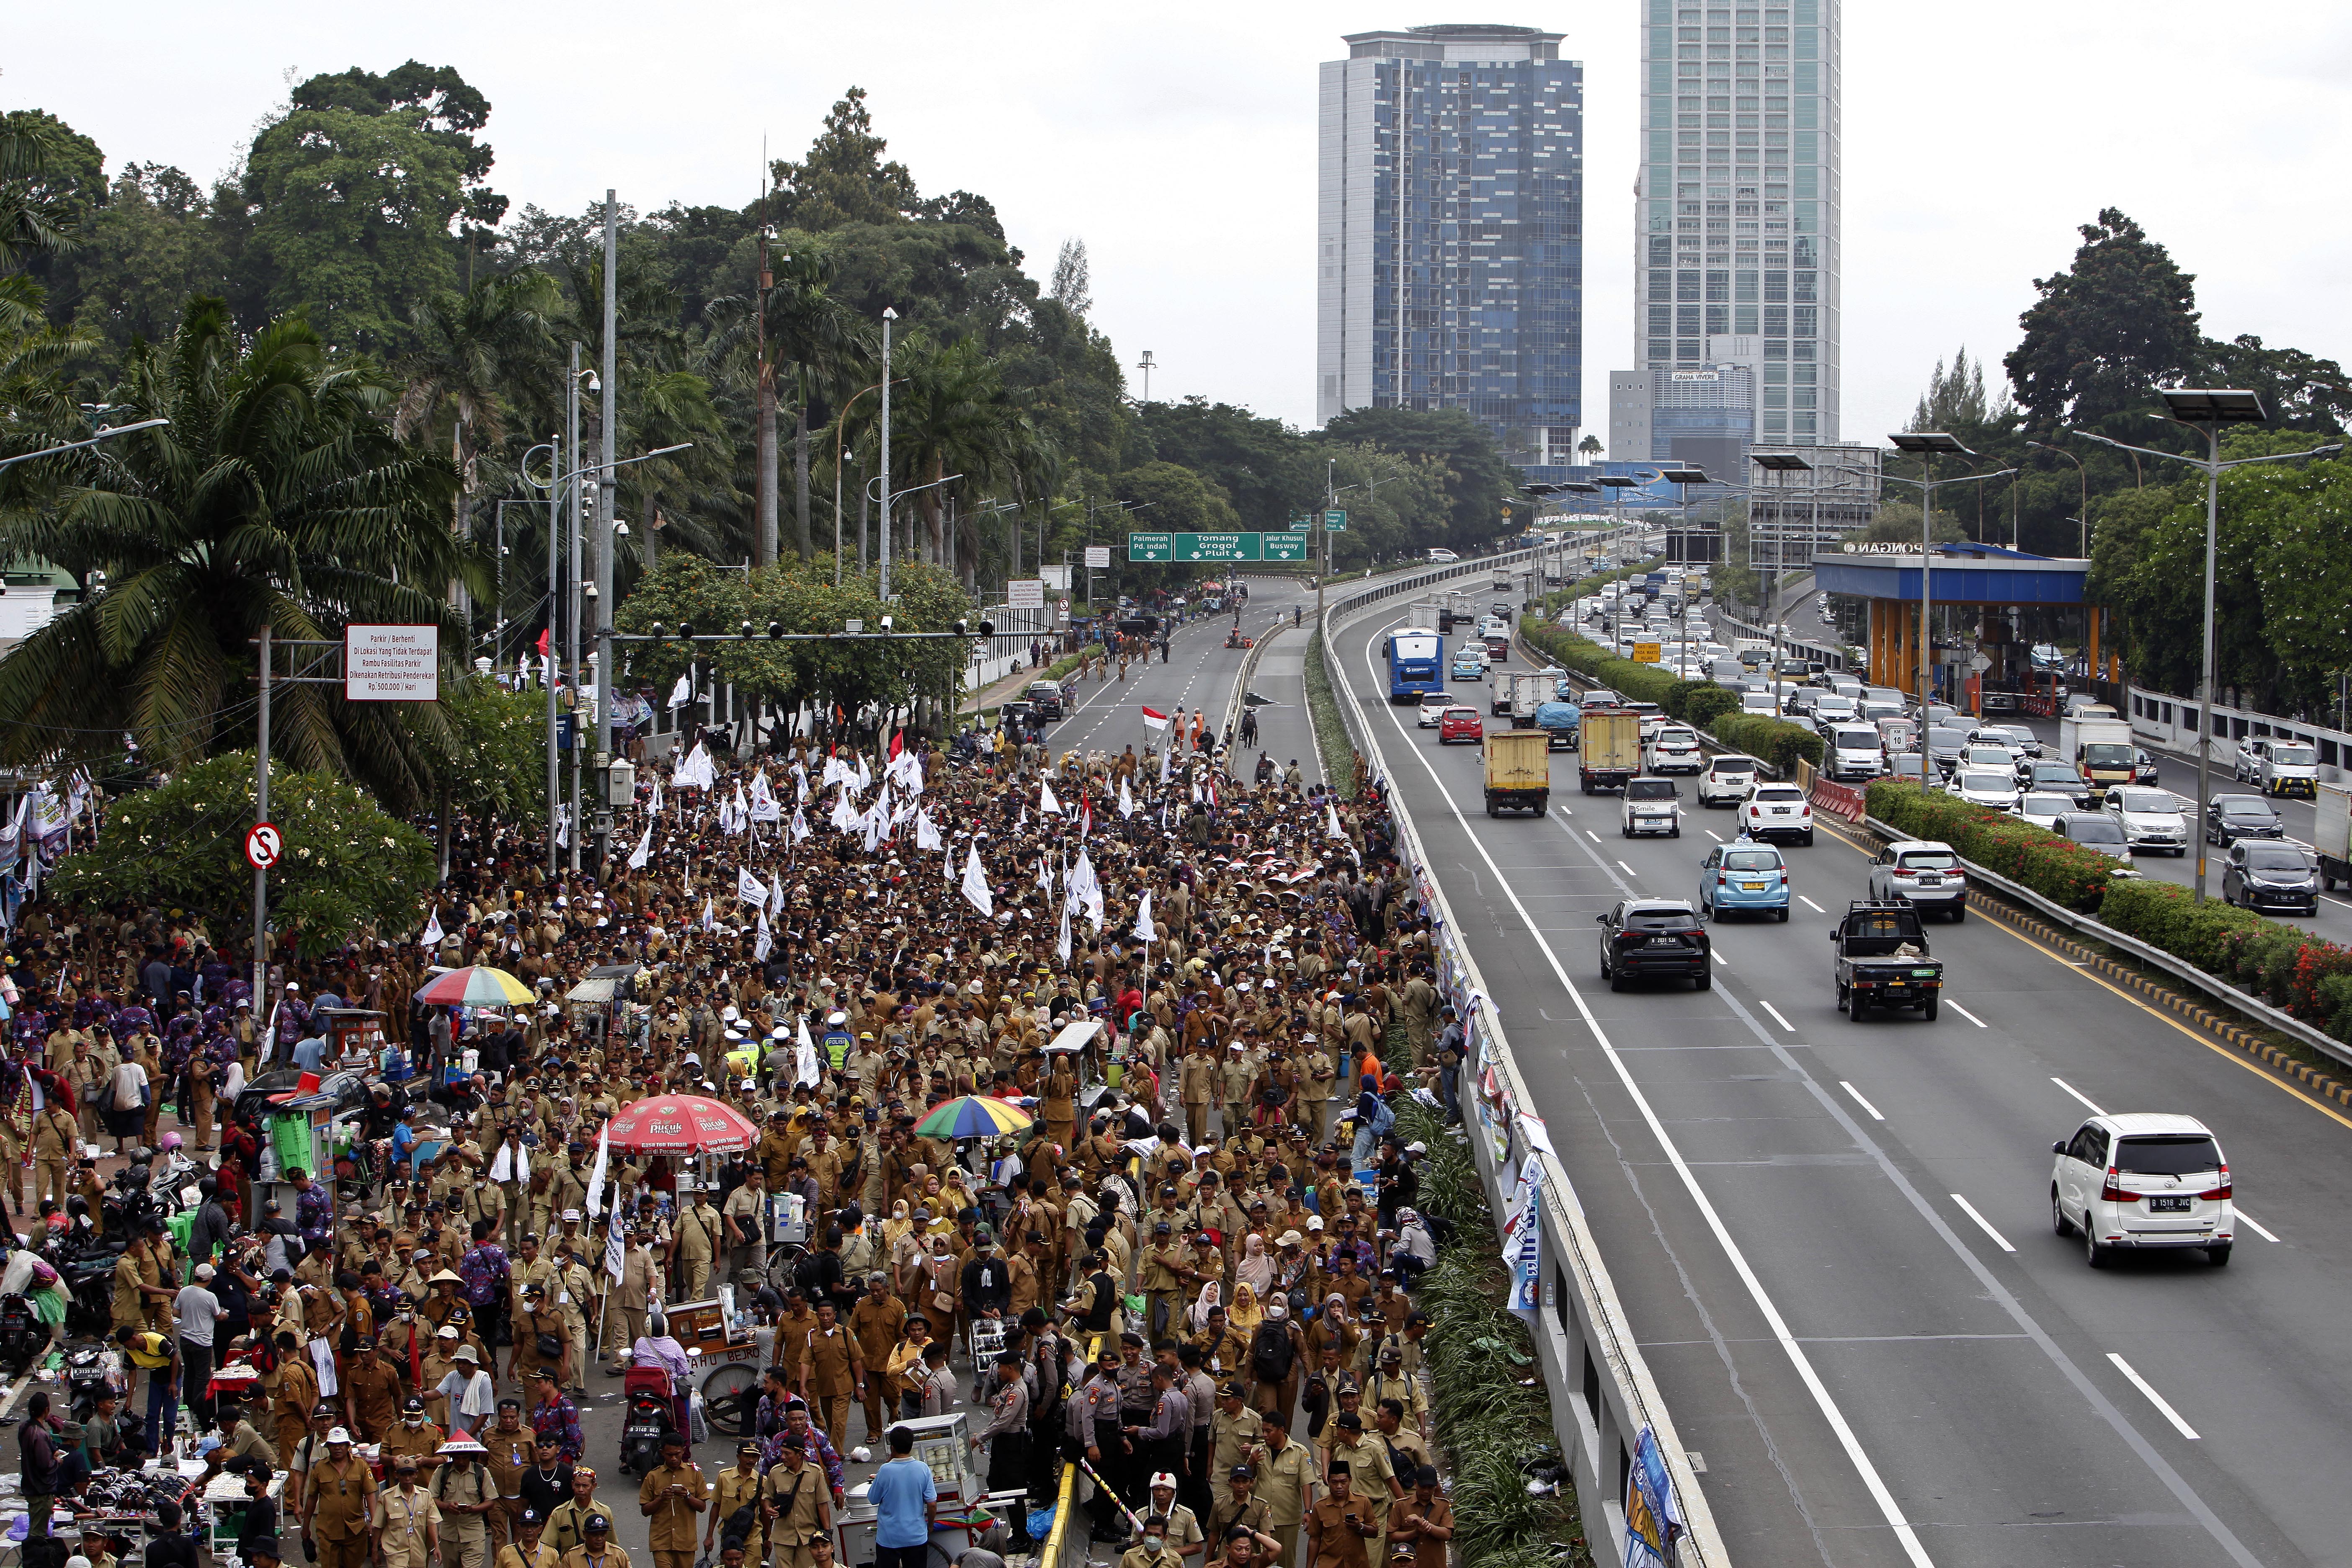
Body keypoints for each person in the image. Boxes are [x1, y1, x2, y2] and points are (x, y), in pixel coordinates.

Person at [302, 1426, 379, 1568]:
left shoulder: (361, 1465)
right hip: (328, 1530)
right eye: (334, 1445)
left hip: (355, 1529)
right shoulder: (319, 1467)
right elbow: (312, 1498)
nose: (337, 1448)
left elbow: (370, 1494)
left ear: (348, 1446)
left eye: (341, 1445)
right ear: (328, 1447)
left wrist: (374, 1522)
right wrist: (305, 1526)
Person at [869, 1425, 939, 1568]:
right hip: (916, 1536)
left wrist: (889, 1461)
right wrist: (930, 1525)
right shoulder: (923, 1468)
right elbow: (932, 1504)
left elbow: (873, 1499)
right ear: (911, 1446)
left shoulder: (885, 1470)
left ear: (892, 1448)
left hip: (889, 1538)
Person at [761, 1437, 834, 1568]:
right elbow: (767, 1498)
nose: (783, 1457)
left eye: (787, 1454)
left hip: (807, 1536)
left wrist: (828, 1532)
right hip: (783, 1535)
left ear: (800, 1455)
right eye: (782, 1453)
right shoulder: (776, 1473)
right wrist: (768, 1509)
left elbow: (822, 1504)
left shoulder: (815, 1473)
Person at [636, 1431, 706, 1568]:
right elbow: (645, 1510)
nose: (674, 1458)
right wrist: (661, 1499)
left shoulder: (695, 1474)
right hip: (661, 1542)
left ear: (683, 1451)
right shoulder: (653, 1476)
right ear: (662, 1453)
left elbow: (702, 1507)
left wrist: (688, 1496)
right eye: (670, 1455)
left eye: (677, 1454)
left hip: (686, 1543)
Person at [435, 1435, 502, 1568]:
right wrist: (448, 1507)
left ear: (471, 1457)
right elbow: (431, 1499)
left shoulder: (482, 1473)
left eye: (465, 1458)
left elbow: (492, 1501)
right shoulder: (442, 1472)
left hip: (473, 1535)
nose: (461, 1462)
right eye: (457, 1458)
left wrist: (473, 1509)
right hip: (449, 1535)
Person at [374, 1457, 443, 1568]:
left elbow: (431, 1522)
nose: (407, 1478)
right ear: (396, 1475)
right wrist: (374, 1551)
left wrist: (437, 1546)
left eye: (411, 1474)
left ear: (416, 1474)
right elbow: (378, 1525)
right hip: (396, 1553)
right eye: (403, 1475)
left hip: (419, 1553)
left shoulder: (425, 1496)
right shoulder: (386, 1497)